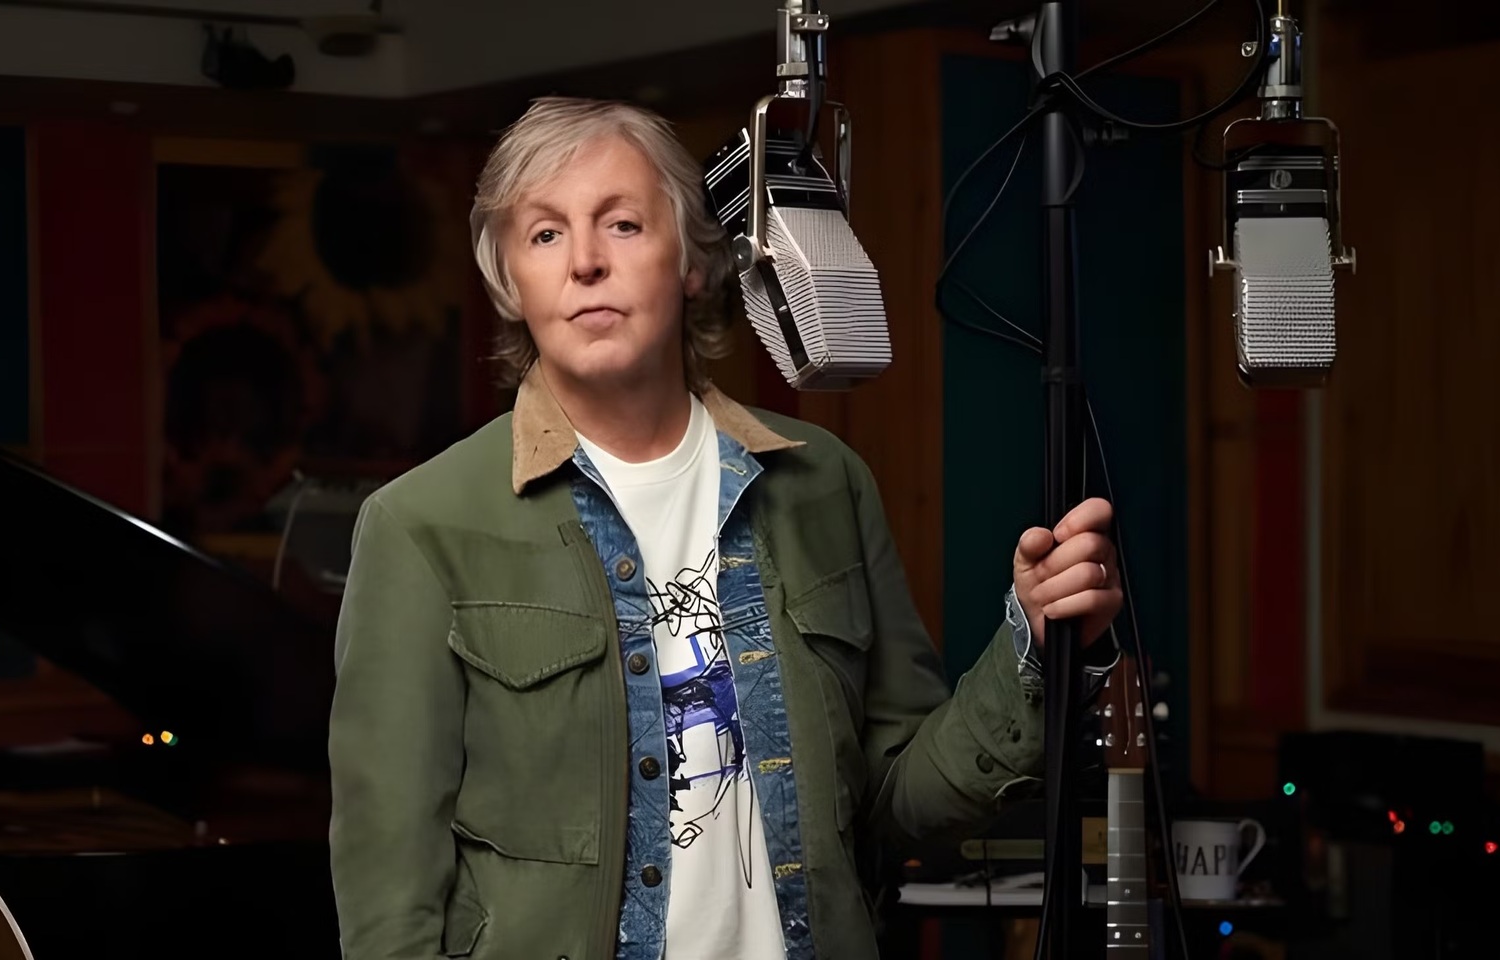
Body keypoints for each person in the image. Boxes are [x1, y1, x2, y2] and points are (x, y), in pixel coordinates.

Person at [327, 97, 1123, 960]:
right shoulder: (421, 525)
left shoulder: (823, 484)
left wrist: (1031, 645)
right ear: (512, 281)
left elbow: (899, 801)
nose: (585, 262)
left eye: (623, 224)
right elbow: (390, 903)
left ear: (693, 263)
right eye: (546, 234)